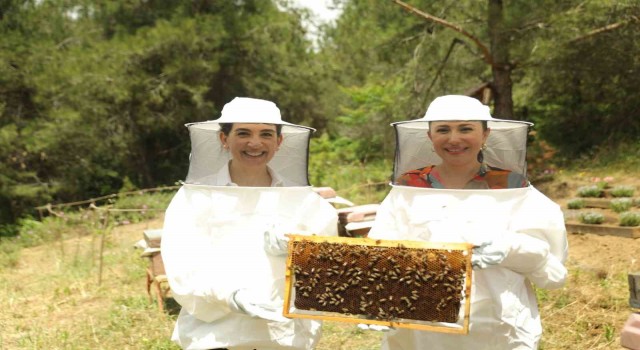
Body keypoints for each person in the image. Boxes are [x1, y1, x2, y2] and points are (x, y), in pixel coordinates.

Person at [367, 95, 568, 349]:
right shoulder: (408, 188)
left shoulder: (514, 189)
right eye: (443, 130)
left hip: (497, 331)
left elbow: (553, 274)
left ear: (485, 134)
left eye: (465, 129)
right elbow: (379, 254)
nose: (454, 139)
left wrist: (509, 247)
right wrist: (373, 298)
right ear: (430, 137)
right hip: (421, 331)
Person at [161, 97, 338, 349]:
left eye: (266, 134)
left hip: (283, 334)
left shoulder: (303, 199)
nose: (255, 143)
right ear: (224, 139)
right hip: (215, 334)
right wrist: (228, 296)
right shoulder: (196, 196)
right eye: (243, 133)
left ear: (279, 141)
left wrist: (302, 249)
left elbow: (329, 261)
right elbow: (181, 262)